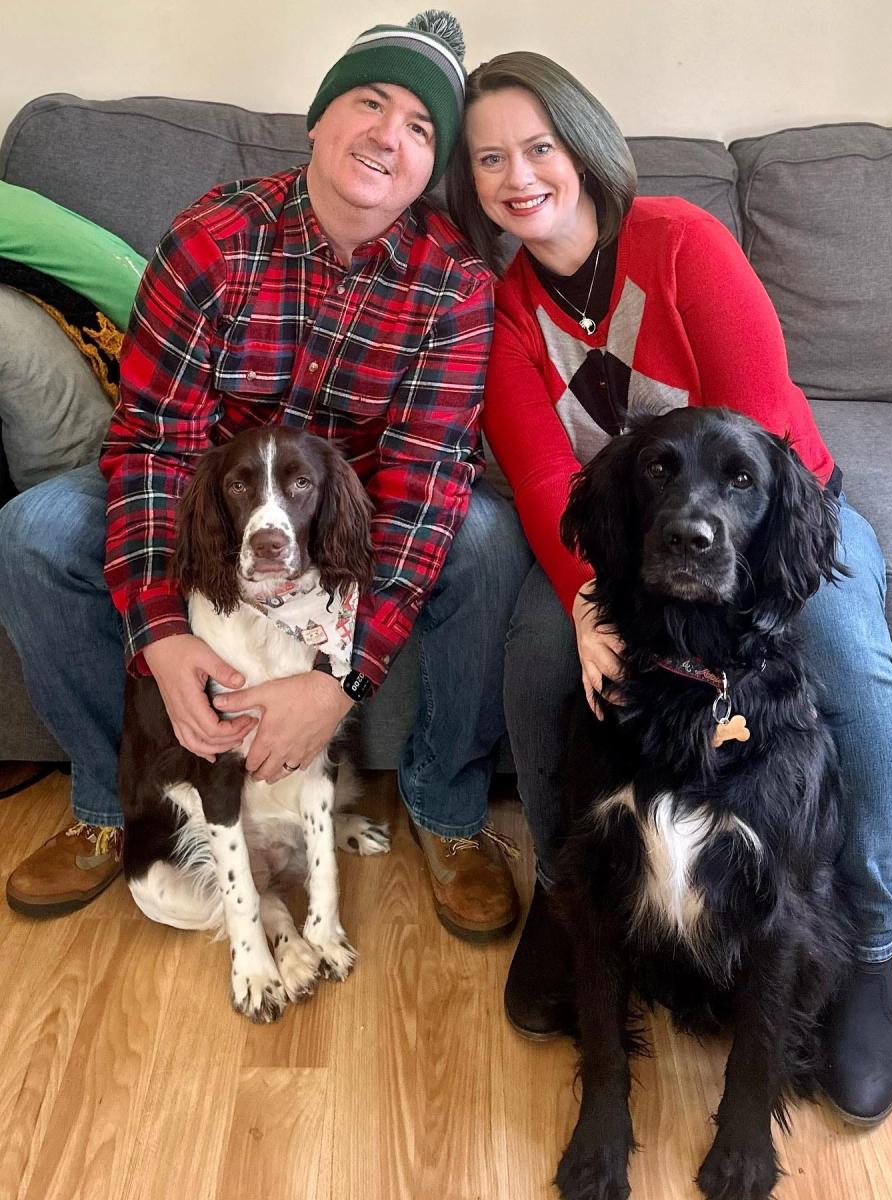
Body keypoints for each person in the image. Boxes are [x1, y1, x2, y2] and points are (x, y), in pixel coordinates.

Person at [445, 51, 892, 1126]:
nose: (519, 176)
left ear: (584, 147)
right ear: (472, 188)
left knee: (851, 661)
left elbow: (759, 435)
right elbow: (542, 473)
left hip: (769, 531)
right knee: (542, 655)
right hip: (625, 547)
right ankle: (575, 901)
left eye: (539, 147)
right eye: (489, 161)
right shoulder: (505, 311)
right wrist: (588, 601)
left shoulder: (681, 242)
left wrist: (741, 590)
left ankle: (871, 944)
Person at [0, 12, 531, 944]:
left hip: (346, 524)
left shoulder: (452, 285)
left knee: (486, 534)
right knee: (34, 531)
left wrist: (341, 679)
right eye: (371, 103)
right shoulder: (212, 239)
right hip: (218, 501)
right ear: (320, 120)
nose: (388, 137)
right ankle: (106, 798)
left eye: (420, 129)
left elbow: (428, 480)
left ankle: (448, 813)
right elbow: (158, 445)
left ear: (430, 168)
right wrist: (159, 635)